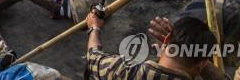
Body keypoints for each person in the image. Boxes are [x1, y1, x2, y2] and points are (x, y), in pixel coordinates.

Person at [86, 12, 219, 80]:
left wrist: (94, 28)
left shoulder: (124, 71)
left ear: (166, 40)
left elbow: (93, 57)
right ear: (201, 65)